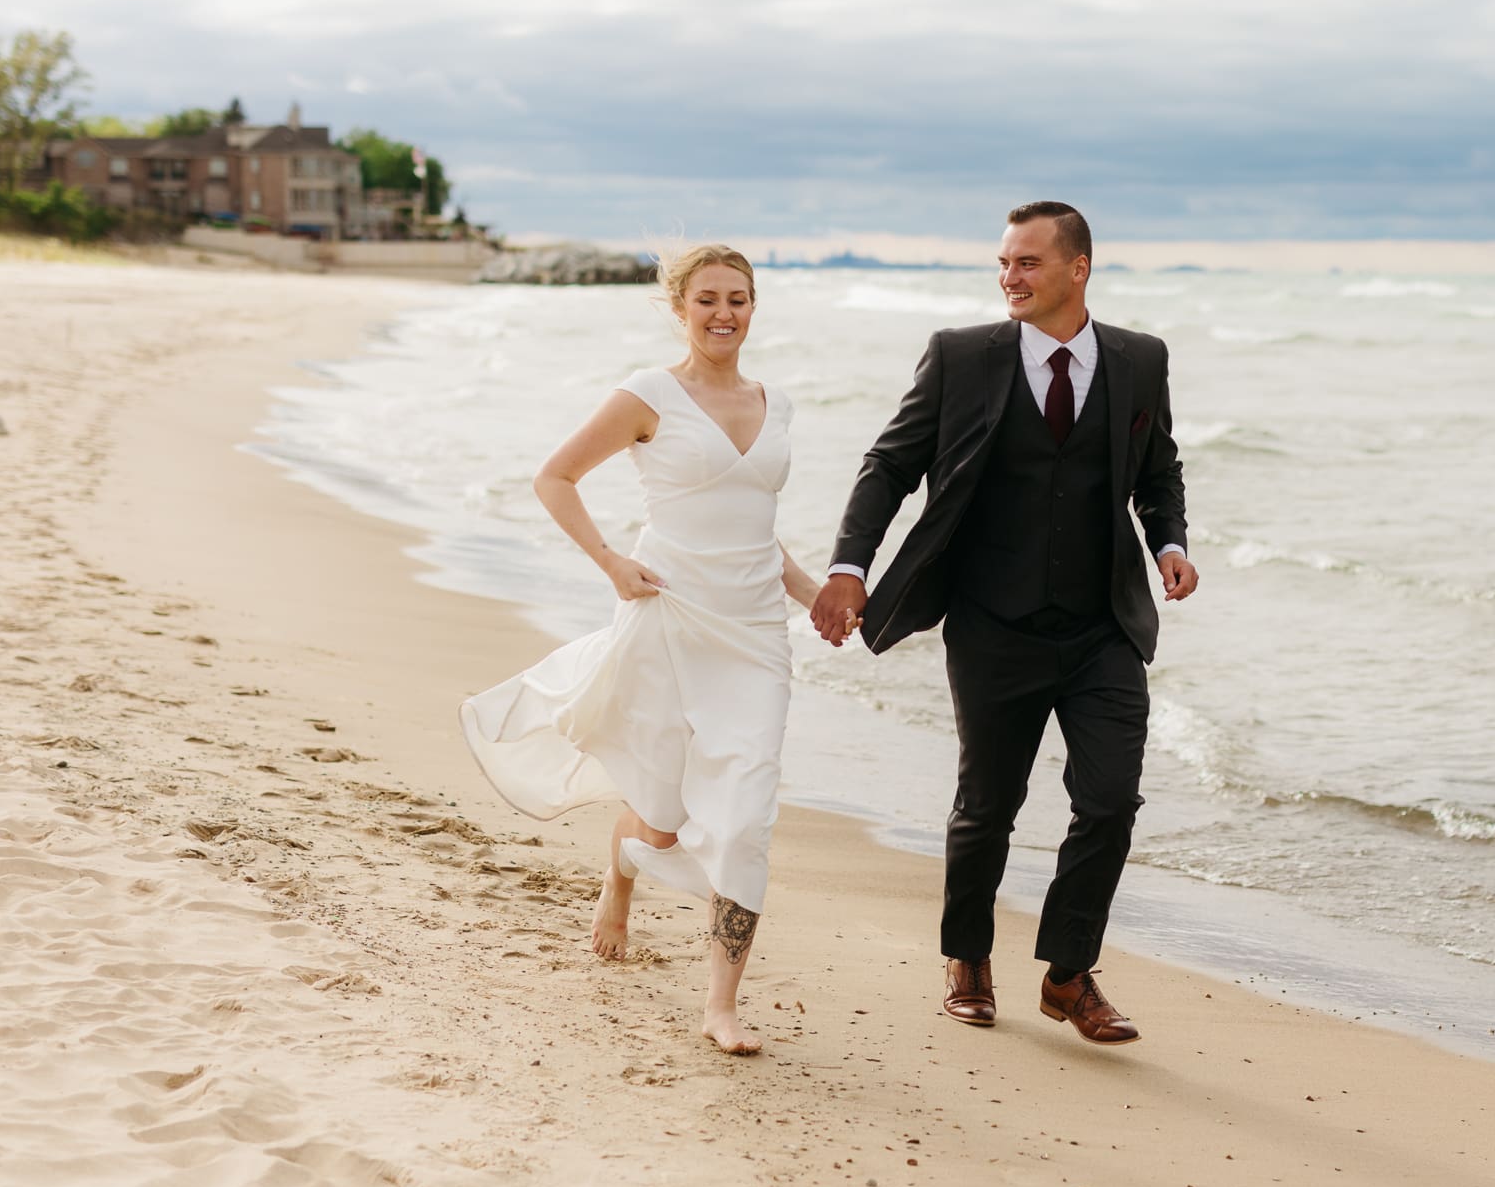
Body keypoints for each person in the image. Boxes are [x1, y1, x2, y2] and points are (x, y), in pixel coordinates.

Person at [811, 202, 1196, 1045]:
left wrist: (1168, 539)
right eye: (1004, 263)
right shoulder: (962, 357)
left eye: (1026, 263)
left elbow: (1157, 466)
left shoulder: (1140, 359)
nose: (1008, 278)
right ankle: (968, 959)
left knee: (1109, 799)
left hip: (1102, 628)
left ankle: (1067, 973)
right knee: (987, 804)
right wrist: (849, 564)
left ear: (1077, 269)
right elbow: (890, 464)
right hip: (992, 622)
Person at [460, 244, 833, 1055]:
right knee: (662, 817)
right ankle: (624, 866)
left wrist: (821, 599)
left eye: (738, 298)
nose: (723, 313)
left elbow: (756, 534)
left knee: (746, 815)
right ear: (679, 307)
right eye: (707, 299)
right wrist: (611, 562)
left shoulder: (780, 403)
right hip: (671, 619)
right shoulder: (648, 394)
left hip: (758, 636)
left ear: (754, 305)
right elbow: (555, 477)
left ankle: (720, 1002)